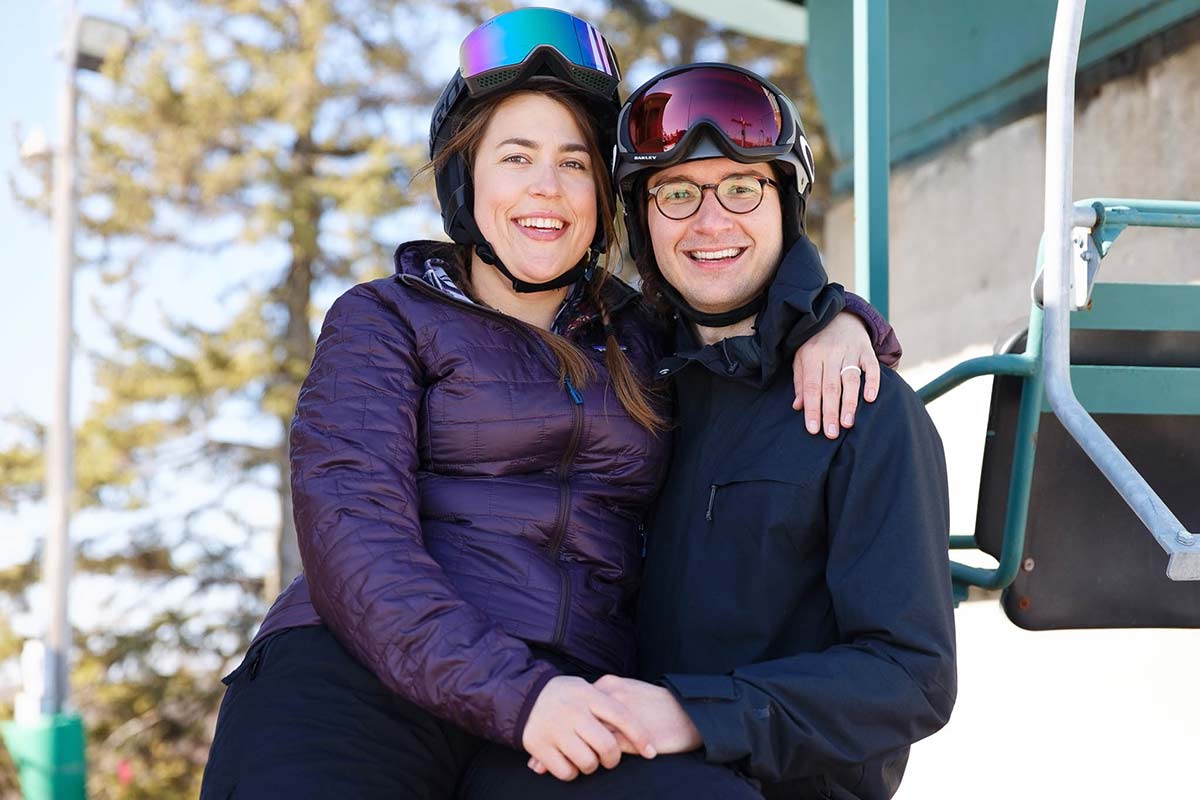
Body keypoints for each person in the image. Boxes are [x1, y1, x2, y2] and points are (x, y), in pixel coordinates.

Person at [199, 10, 897, 799]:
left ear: (603, 196)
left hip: (566, 695)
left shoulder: (645, 335)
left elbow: (746, 310)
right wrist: (516, 694)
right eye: (517, 157)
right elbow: (351, 533)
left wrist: (839, 320)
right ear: (467, 183)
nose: (546, 187)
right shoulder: (386, 318)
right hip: (359, 675)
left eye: (573, 163)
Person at [461, 64, 955, 800]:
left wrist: (696, 714)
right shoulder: (621, 395)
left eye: (742, 187)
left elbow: (910, 677)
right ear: (642, 218)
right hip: (593, 760)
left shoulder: (862, 410)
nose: (711, 221)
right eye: (677, 193)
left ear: (785, 206)